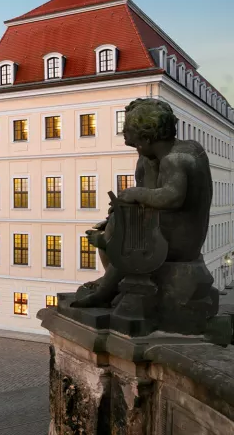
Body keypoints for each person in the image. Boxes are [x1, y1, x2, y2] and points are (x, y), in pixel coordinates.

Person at [72, 98, 212, 308]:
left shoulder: (176, 159)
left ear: (147, 139)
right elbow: (152, 196)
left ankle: (104, 293)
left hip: (180, 242)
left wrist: (136, 194)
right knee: (112, 226)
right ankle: (113, 278)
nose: (133, 147)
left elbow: (172, 197)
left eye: (135, 143)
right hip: (170, 230)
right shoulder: (174, 152)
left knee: (123, 240)